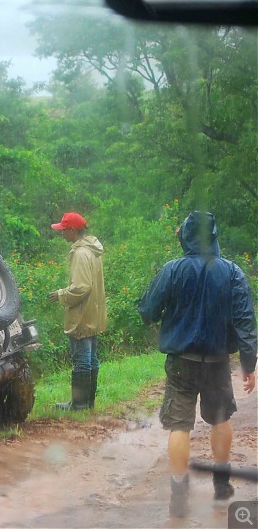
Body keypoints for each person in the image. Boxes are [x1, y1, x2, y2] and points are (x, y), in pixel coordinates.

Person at [137, 211, 256, 518]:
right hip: (217, 362)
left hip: (181, 362)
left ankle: (179, 495)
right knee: (220, 419)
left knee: (179, 426)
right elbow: (246, 322)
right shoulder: (232, 272)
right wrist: (249, 363)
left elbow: (148, 310)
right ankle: (221, 484)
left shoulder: (172, 269)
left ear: (185, 236)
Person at [48, 211, 107, 410]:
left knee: (82, 360)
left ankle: (79, 405)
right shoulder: (92, 250)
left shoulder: (81, 254)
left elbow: (81, 287)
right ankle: (87, 403)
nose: (62, 234)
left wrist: (60, 294)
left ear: (73, 230)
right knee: (91, 359)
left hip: (83, 314)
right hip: (94, 312)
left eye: (64, 230)